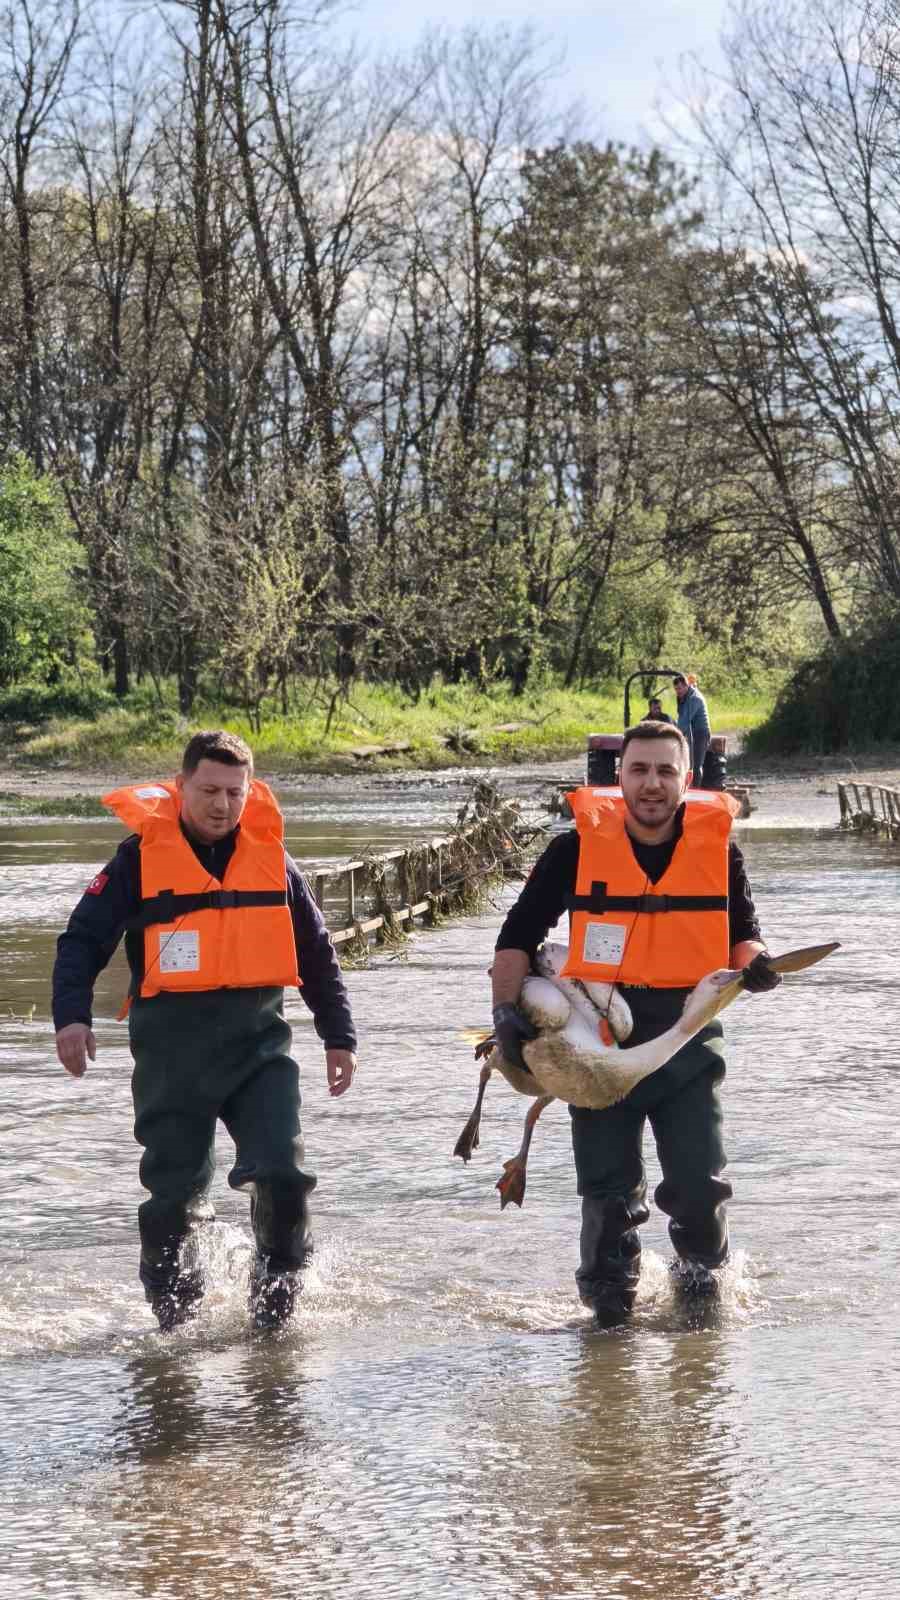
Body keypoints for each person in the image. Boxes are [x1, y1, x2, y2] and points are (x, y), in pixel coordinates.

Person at [52, 730, 358, 1332]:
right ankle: (175, 1323)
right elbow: (81, 941)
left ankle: (277, 1307)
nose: (222, 805)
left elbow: (316, 951)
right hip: (173, 1053)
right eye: (210, 790)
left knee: (284, 1173)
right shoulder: (138, 858)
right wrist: (71, 1018)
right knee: (173, 1195)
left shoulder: (273, 858)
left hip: (259, 1048)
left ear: (250, 792)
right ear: (182, 785)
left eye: (235, 793)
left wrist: (338, 1035)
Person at [489, 719, 779, 1326]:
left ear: (687, 777)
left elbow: (743, 938)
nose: (652, 784)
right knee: (607, 1196)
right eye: (639, 770)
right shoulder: (573, 849)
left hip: (687, 1039)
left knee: (700, 1190)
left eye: (665, 771)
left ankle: (701, 1312)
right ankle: (607, 1322)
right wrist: (505, 1015)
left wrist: (757, 966)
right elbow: (517, 939)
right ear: (619, 776)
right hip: (594, 1036)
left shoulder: (720, 851)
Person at [673, 672, 711, 783]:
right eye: (676, 689)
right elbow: (681, 717)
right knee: (687, 762)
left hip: (700, 732)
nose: (678, 691)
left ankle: (696, 789)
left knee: (696, 764)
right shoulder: (684, 697)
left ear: (686, 686)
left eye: (680, 688)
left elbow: (685, 721)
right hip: (692, 731)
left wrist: (674, 734)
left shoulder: (694, 698)